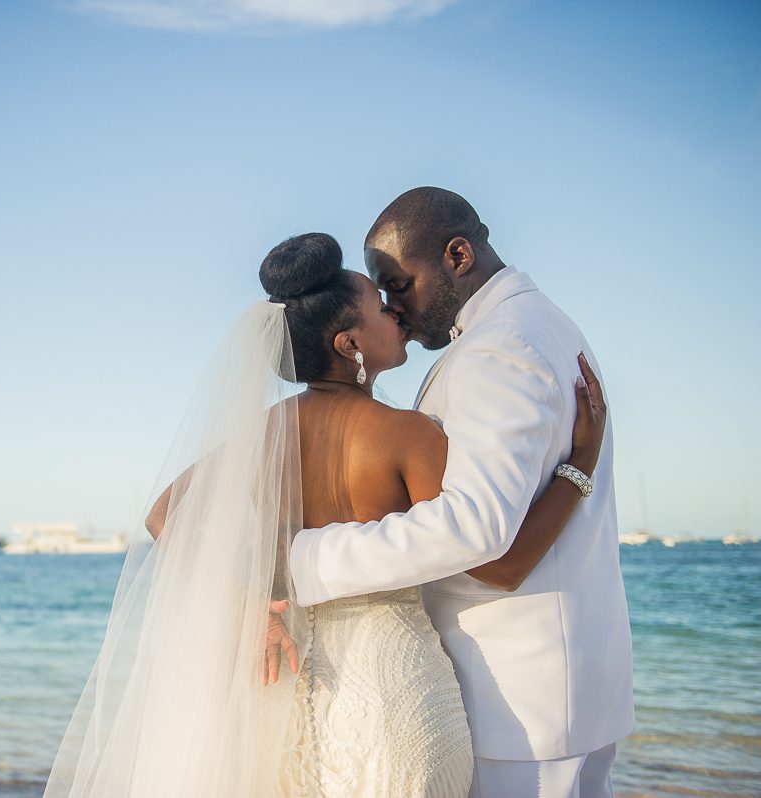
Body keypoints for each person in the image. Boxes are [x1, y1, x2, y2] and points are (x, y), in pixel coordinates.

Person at [43, 224, 605, 797]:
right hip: (394, 689)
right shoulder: (410, 436)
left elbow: (164, 514)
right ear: (349, 345)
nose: (395, 312)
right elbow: (497, 563)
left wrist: (242, 603)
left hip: (286, 684)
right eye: (379, 307)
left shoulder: (265, 433)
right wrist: (580, 463)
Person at [288, 188, 635, 797]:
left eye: (399, 285)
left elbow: (479, 534)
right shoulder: (534, 326)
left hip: (520, 703)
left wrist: (303, 559)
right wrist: (579, 467)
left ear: (458, 255)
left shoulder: (500, 347)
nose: (394, 308)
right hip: (554, 691)